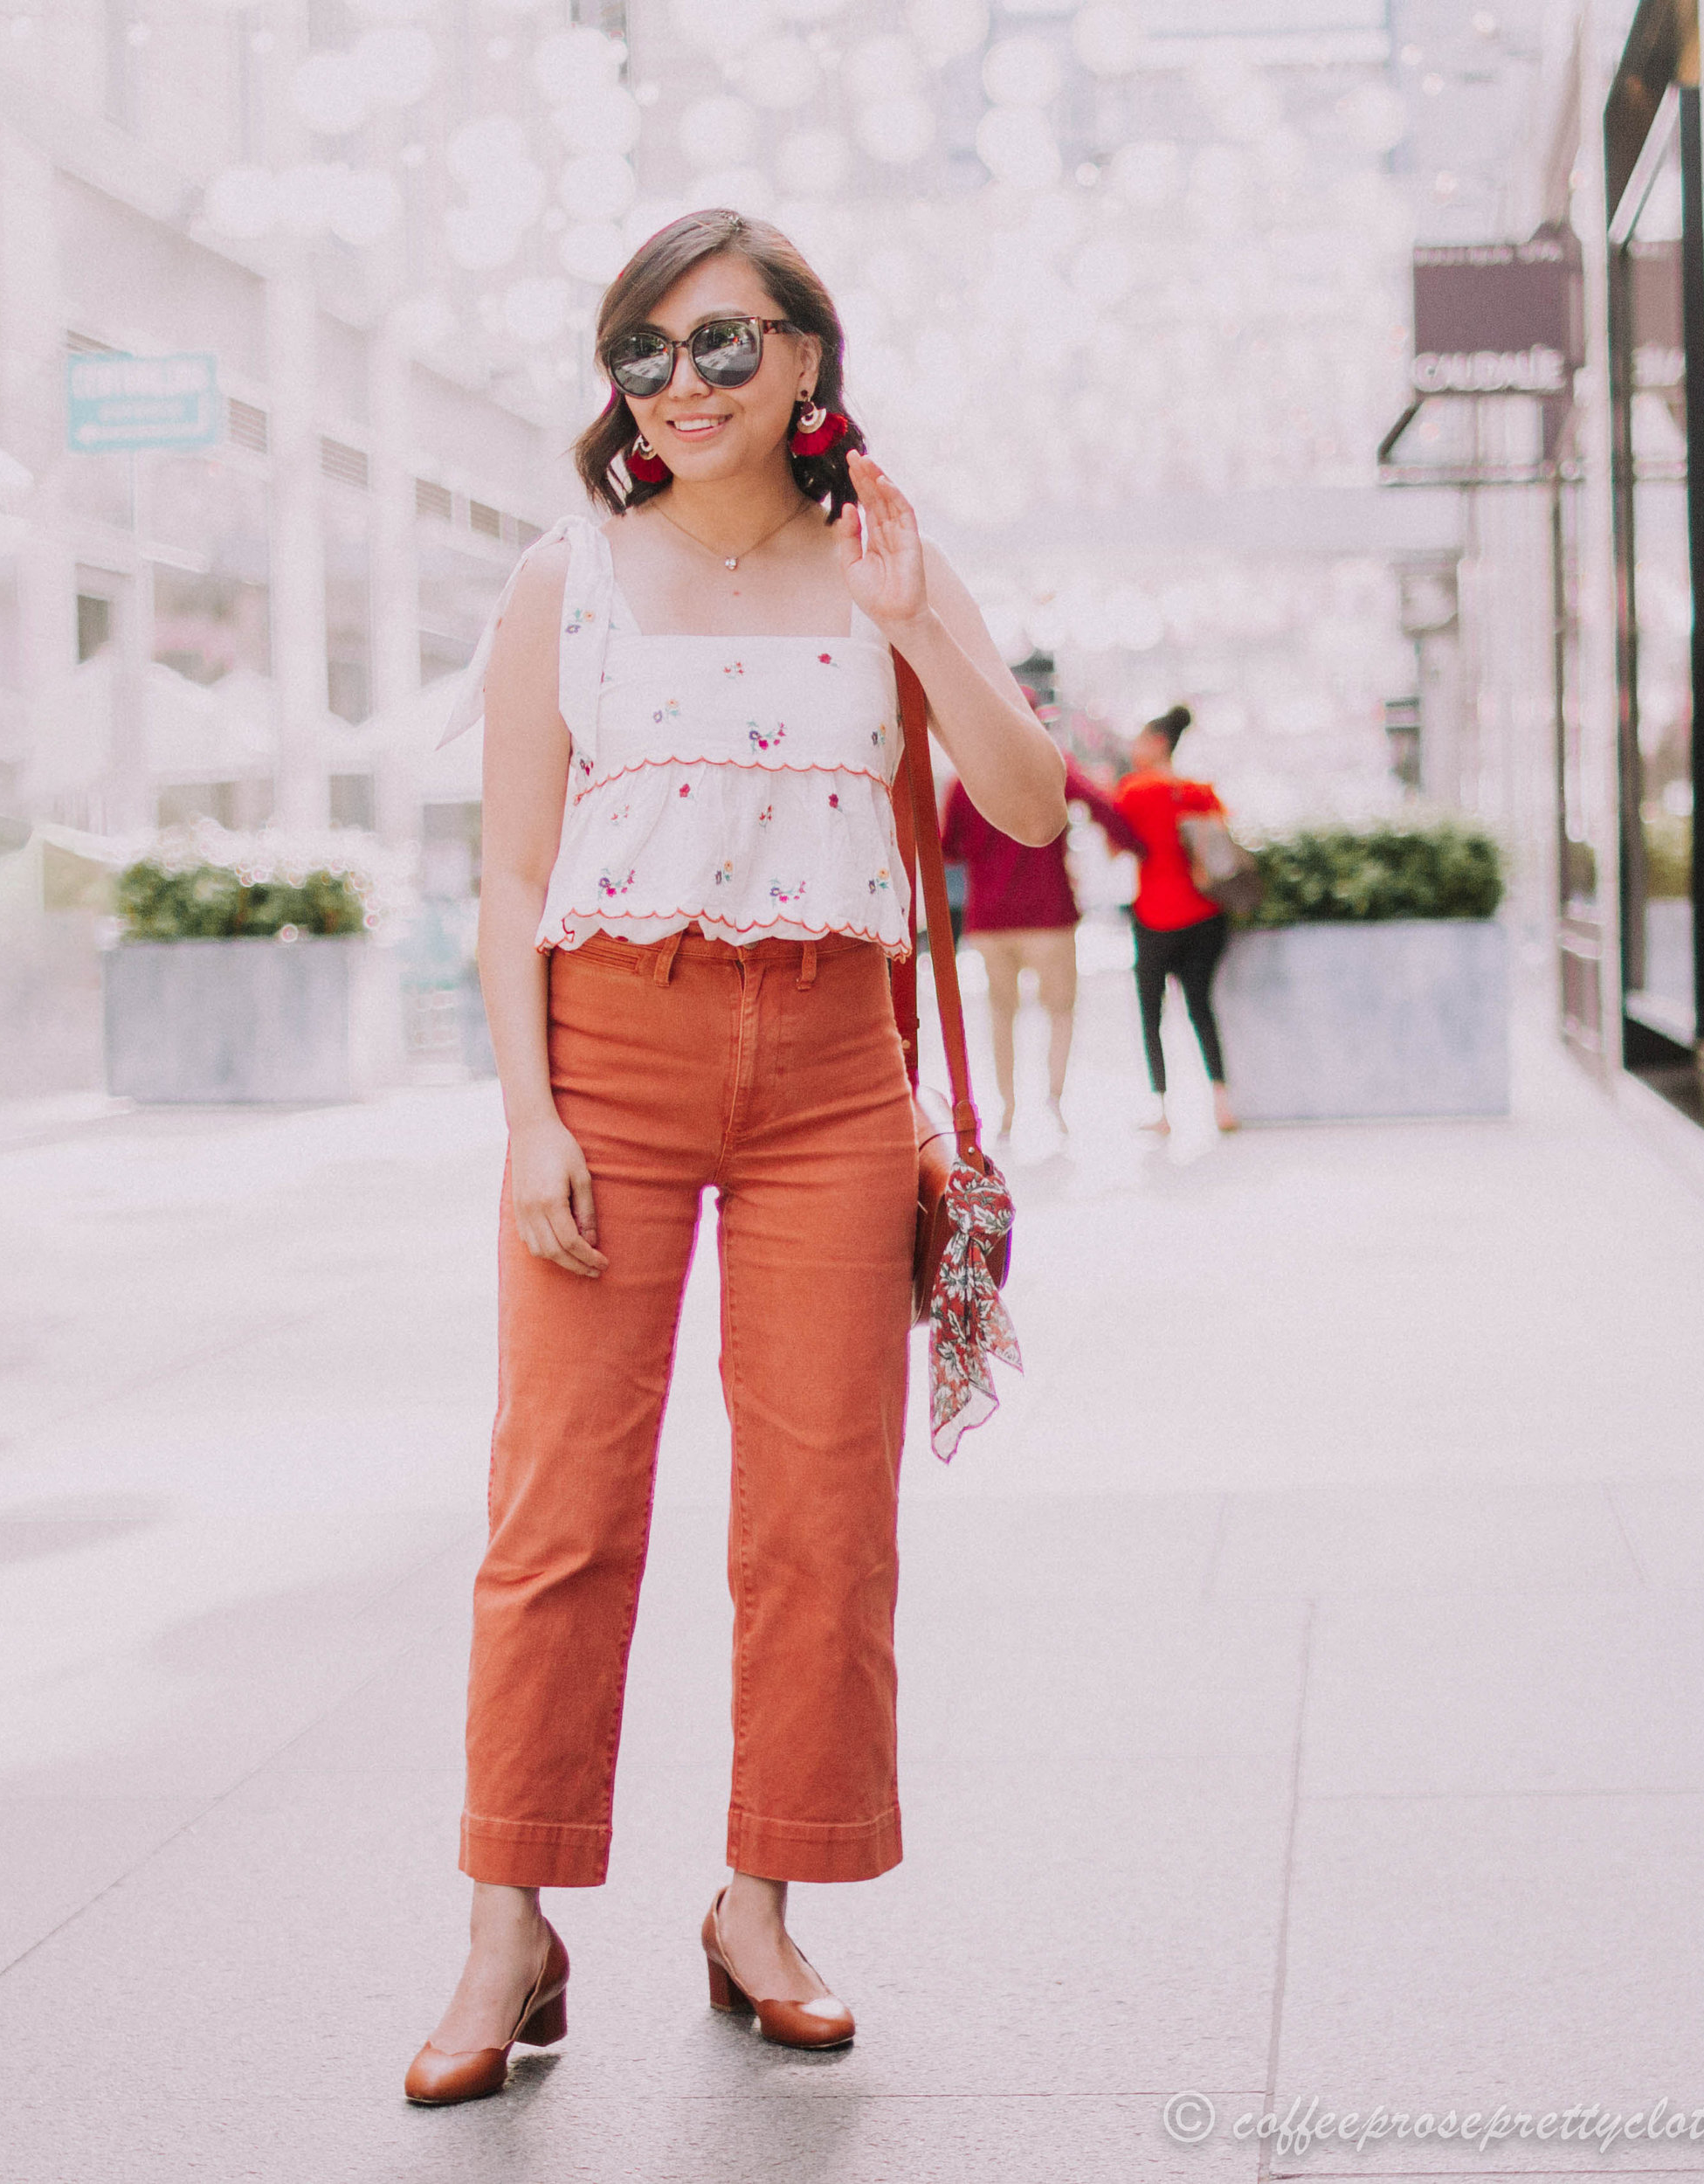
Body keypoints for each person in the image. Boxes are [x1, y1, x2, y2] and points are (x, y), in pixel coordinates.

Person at [405, 209, 1066, 2105]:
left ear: (804, 361)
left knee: (815, 1517)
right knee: (558, 1512)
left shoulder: (876, 568)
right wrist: (530, 1115)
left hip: (832, 1071)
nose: (675, 387)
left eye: (717, 347)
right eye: (642, 353)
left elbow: (1022, 802)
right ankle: (502, 1924)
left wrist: (917, 603)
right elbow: (513, 876)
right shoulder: (566, 577)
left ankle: (758, 1900)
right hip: (610, 1044)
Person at [941, 744, 1138, 1140]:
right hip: (1049, 913)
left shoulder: (968, 778)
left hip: (991, 919)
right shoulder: (1053, 765)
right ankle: (1055, 1099)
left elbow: (949, 849)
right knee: (1060, 1010)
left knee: (1001, 1015)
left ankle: (1007, 1109)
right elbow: (1102, 806)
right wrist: (1136, 846)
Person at [1111, 703, 1237, 1135]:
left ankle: (1162, 1110)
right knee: (1202, 1009)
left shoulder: (1134, 792)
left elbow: (1117, 848)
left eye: (1141, 739)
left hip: (1156, 917)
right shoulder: (1200, 792)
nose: (1134, 747)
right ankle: (1222, 1103)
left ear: (1158, 742)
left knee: (1152, 1013)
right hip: (1206, 917)